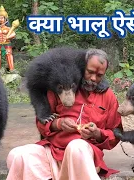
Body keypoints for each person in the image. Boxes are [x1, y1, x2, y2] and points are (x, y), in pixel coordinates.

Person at [6, 49, 123, 180]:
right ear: (81, 67)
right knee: (18, 155)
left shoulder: (108, 97)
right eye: (89, 72)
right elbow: (41, 124)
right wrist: (58, 124)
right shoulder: (61, 84)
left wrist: (97, 133)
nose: (93, 78)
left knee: (76, 147)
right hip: (53, 152)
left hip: (84, 157)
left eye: (99, 75)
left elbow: (116, 133)